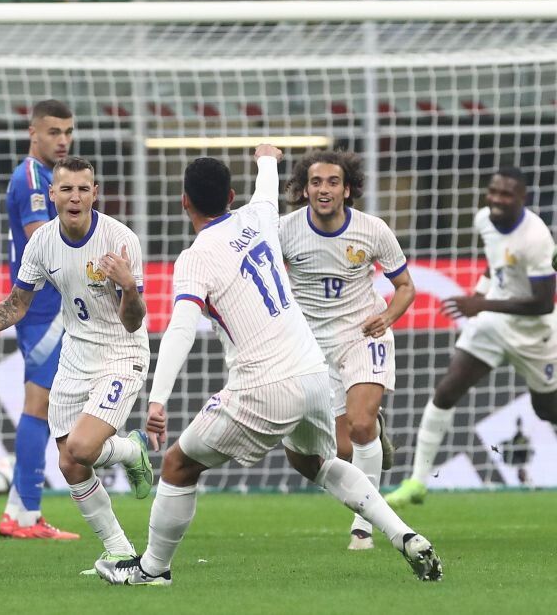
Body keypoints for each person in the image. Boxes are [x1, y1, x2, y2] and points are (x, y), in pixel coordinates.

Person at [95, 147, 442, 586]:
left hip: (263, 385)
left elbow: (181, 330)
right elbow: (265, 187)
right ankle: (404, 534)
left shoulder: (195, 259)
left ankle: (152, 569)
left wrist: (158, 398)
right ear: (231, 196)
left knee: (179, 464)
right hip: (313, 372)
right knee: (313, 462)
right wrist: (266, 157)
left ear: (184, 202)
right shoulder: (258, 216)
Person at [0, 156, 153, 573]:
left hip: (122, 353)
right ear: (52, 195)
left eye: (84, 189)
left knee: (84, 447)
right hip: (76, 354)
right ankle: (118, 549)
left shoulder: (119, 241)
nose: (75, 197)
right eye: (66, 189)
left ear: (95, 193)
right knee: (69, 462)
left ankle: (131, 449)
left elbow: (134, 320)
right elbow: (18, 304)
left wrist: (128, 286)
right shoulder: (42, 242)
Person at [386, 167, 557, 507]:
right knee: (447, 390)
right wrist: (479, 297)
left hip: (534, 335)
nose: (496, 199)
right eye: (493, 191)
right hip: (492, 326)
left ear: (522, 198)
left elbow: (542, 303)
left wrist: (479, 303)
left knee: (546, 410)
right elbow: (495, 265)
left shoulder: (536, 238)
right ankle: (417, 483)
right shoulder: (483, 219)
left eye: (506, 194)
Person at [279, 150, 415, 549]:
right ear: (304, 190)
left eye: (332, 182)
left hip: (363, 335)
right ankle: (376, 432)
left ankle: (364, 526)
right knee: (339, 450)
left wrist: (388, 317)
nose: (324, 189)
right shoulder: (284, 231)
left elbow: (405, 287)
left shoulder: (372, 230)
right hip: (310, 347)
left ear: (347, 189)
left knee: (359, 425)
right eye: (316, 182)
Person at [0, 99, 79, 540]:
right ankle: (25, 515)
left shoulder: (50, 177)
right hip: (43, 308)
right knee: (41, 405)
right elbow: (39, 241)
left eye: (68, 131)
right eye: (53, 132)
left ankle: (19, 509)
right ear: (34, 132)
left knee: (46, 406)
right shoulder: (31, 177)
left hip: (51, 307)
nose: (63, 140)